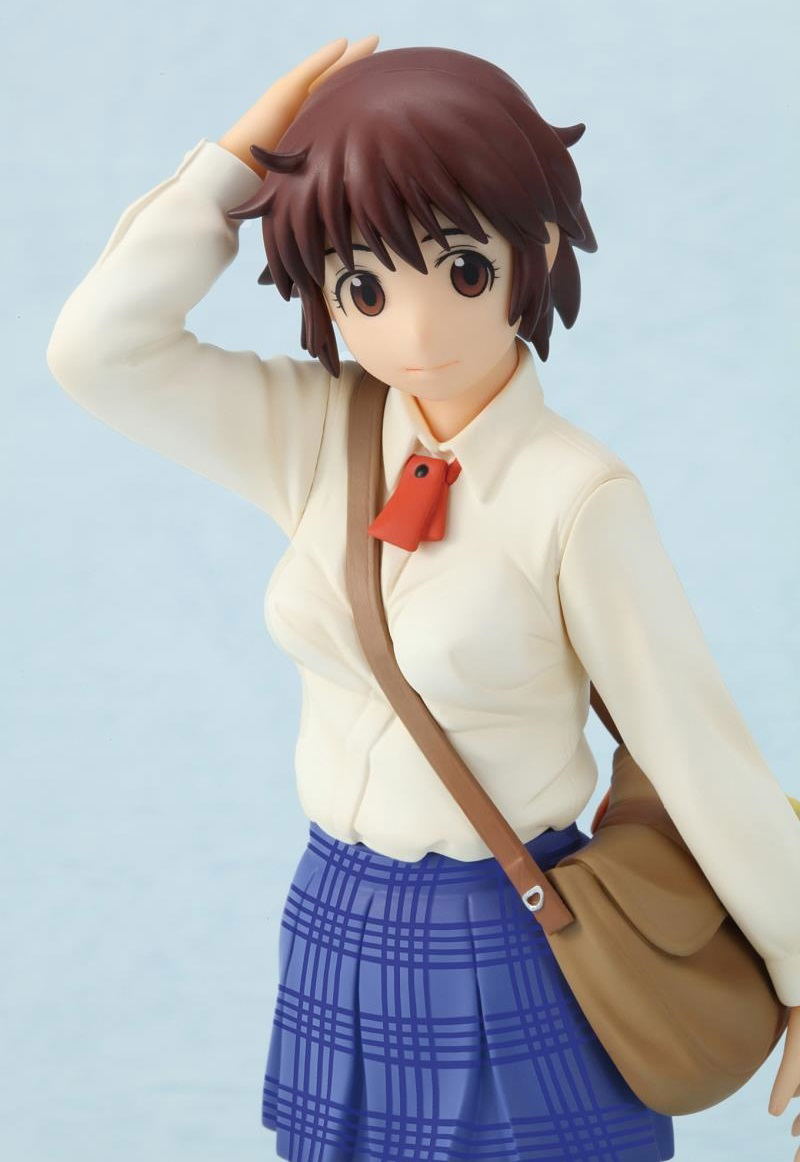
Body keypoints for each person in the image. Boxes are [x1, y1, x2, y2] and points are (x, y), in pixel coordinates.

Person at [46, 36, 800, 1162]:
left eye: (463, 270)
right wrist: (234, 169)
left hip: (512, 925)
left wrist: (796, 961)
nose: (416, 331)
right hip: (334, 906)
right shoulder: (317, 433)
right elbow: (97, 353)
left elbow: (691, 745)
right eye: (362, 286)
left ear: (537, 248)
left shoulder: (575, 495)